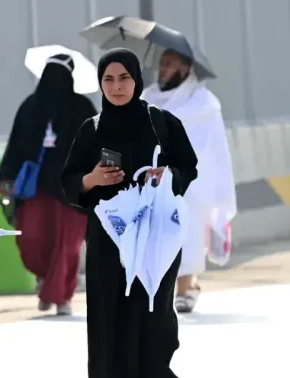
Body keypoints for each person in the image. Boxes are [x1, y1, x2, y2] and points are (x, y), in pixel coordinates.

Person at [61, 48, 198, 378]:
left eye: (124, 78)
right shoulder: (92, 129)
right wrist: (92, 179)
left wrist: (168, 175)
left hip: (155, 236)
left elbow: (189, 167)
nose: (117, 86)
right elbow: (68, 182)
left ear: (136, 80)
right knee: (109, 317)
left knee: (154, 317)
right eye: (108, 79)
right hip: (109, 241)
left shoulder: (161, 123)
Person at [0, 54, 96, 315]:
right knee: (31, 238)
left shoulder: (82, 108)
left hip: (71, 187)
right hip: (35, 188)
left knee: (67, 245)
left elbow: (94, 146)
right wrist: (5, 177)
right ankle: (45, 279)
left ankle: (62, 297)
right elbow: (15, 144)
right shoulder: (30, 107)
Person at [142, 49, 237, 313]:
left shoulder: (204, 104)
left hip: (191, 184)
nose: (163, 69)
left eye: (170, 64)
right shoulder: (148, 98)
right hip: (154, 181)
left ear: (185, 69)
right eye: (162, 64)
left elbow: (211, 149)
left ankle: (185, 287)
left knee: (187, 235)